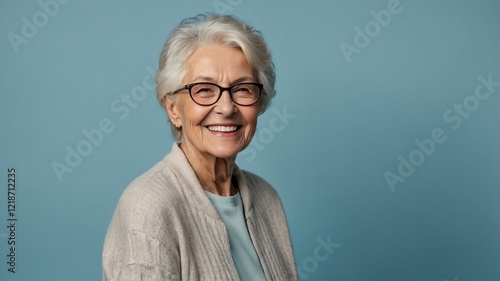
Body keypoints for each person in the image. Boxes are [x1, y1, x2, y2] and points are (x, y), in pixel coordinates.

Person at [102, 13, 297, 281]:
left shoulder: (267, 199)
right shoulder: (148, 207)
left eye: (242, 89)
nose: (227, 108)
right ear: (173, 109)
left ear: (259, 101)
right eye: (204, 89)